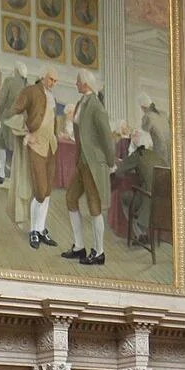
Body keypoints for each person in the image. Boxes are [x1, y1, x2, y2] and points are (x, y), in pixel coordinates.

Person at [60, 69, 113, 265]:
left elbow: (106, 137)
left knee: (94, 206)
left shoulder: (96, 106)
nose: (75, 84)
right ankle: (79, 247)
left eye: (78, 82)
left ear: (85, 84)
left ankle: (99, 252)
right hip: (82, 161)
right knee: (71, 198)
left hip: (94, 163)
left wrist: (111, 162)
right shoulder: (81, 103)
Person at [7, 67, 60, 249]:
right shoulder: (30, 91)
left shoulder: (52, 97)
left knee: (47, 192)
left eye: (55, 81)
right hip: (36, 146)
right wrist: (26, 133)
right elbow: (13, 112)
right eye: (51, 79)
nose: (53, 83)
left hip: (50, 146)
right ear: (42, 77)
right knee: (39, 191)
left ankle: (41, 228)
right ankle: (33, 231)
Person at [113, 129, 164, 247]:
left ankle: (140, 234)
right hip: (162, 202)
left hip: (148, 199)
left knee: (125, 198)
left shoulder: (139, 154)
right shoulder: (157, 156)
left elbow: (120, 170)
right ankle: (144, 232)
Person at [0, 61, 26, 184]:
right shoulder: (27, 86)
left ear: (16, 71)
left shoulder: (9, 81)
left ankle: (2, 173)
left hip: (7, 119)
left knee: (1, 145)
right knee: (15, 148)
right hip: (20, 121)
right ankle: (15, 177)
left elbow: (1, 101)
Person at [138, 93, 170, 165]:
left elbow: (144, 137)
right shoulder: (164, 114)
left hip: (159, 152)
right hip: (170, 150)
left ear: (142, 107)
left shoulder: (147, 117)